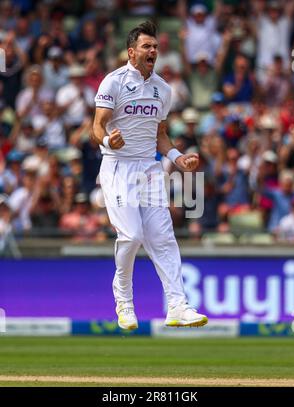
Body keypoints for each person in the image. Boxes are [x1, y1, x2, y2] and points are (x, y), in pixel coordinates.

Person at [92, 21, 208, 330]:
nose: (153, 51)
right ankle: (124, 302)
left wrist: (177, 157)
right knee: (131, 236)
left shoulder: (163, 89)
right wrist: (106, 140)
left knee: (163, 238)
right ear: (132, 52)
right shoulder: (112, 82)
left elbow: (161, 135)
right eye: (146, 46)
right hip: (117, 166)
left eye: (155, 47)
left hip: (149, 169)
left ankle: (177, 306)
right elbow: (96, 125)